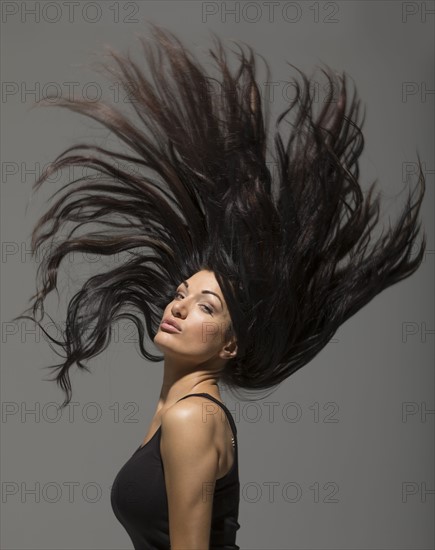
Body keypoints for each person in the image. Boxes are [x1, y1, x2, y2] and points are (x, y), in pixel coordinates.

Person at [12, 22, 427, 550]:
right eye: (182, 293)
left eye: (205, 305)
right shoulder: (179, 409)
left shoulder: (191, 416)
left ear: (231, 344)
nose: (180, 306)